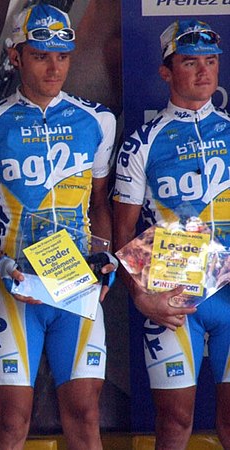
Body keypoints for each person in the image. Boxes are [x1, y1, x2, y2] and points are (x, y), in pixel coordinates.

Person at [0, 3, 117, 449]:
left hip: (76, 285)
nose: (54, 67)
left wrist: (103, 253)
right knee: (11, 419)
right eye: (42, 55)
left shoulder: (98, 121)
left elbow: (100, 201)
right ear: (15, 57)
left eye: (62, 56)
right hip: (17, 287)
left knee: (85, 413)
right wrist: (0, 261)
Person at [113, 18, 230, 449]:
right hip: (172, 295)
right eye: (190, 63)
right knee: (175, 420)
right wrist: (141, 296)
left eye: (211, 62)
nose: (204, 72)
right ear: (166, 72)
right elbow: (122, 232)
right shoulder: (141, 142)